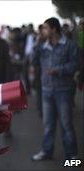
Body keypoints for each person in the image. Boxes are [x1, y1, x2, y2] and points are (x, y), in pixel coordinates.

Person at [31, 17, 79, 161]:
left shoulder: (69, 45)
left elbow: (76, 65)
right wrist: (37, 44)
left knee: (66, 125)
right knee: (48, 124)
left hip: (63, 90)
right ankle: (47, 151)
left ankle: (72, 157)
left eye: (45, 28)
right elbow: (33, 61)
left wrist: (58, 70)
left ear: (53, 29)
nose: (42, 30)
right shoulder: (42, 46)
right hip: (46, 90)